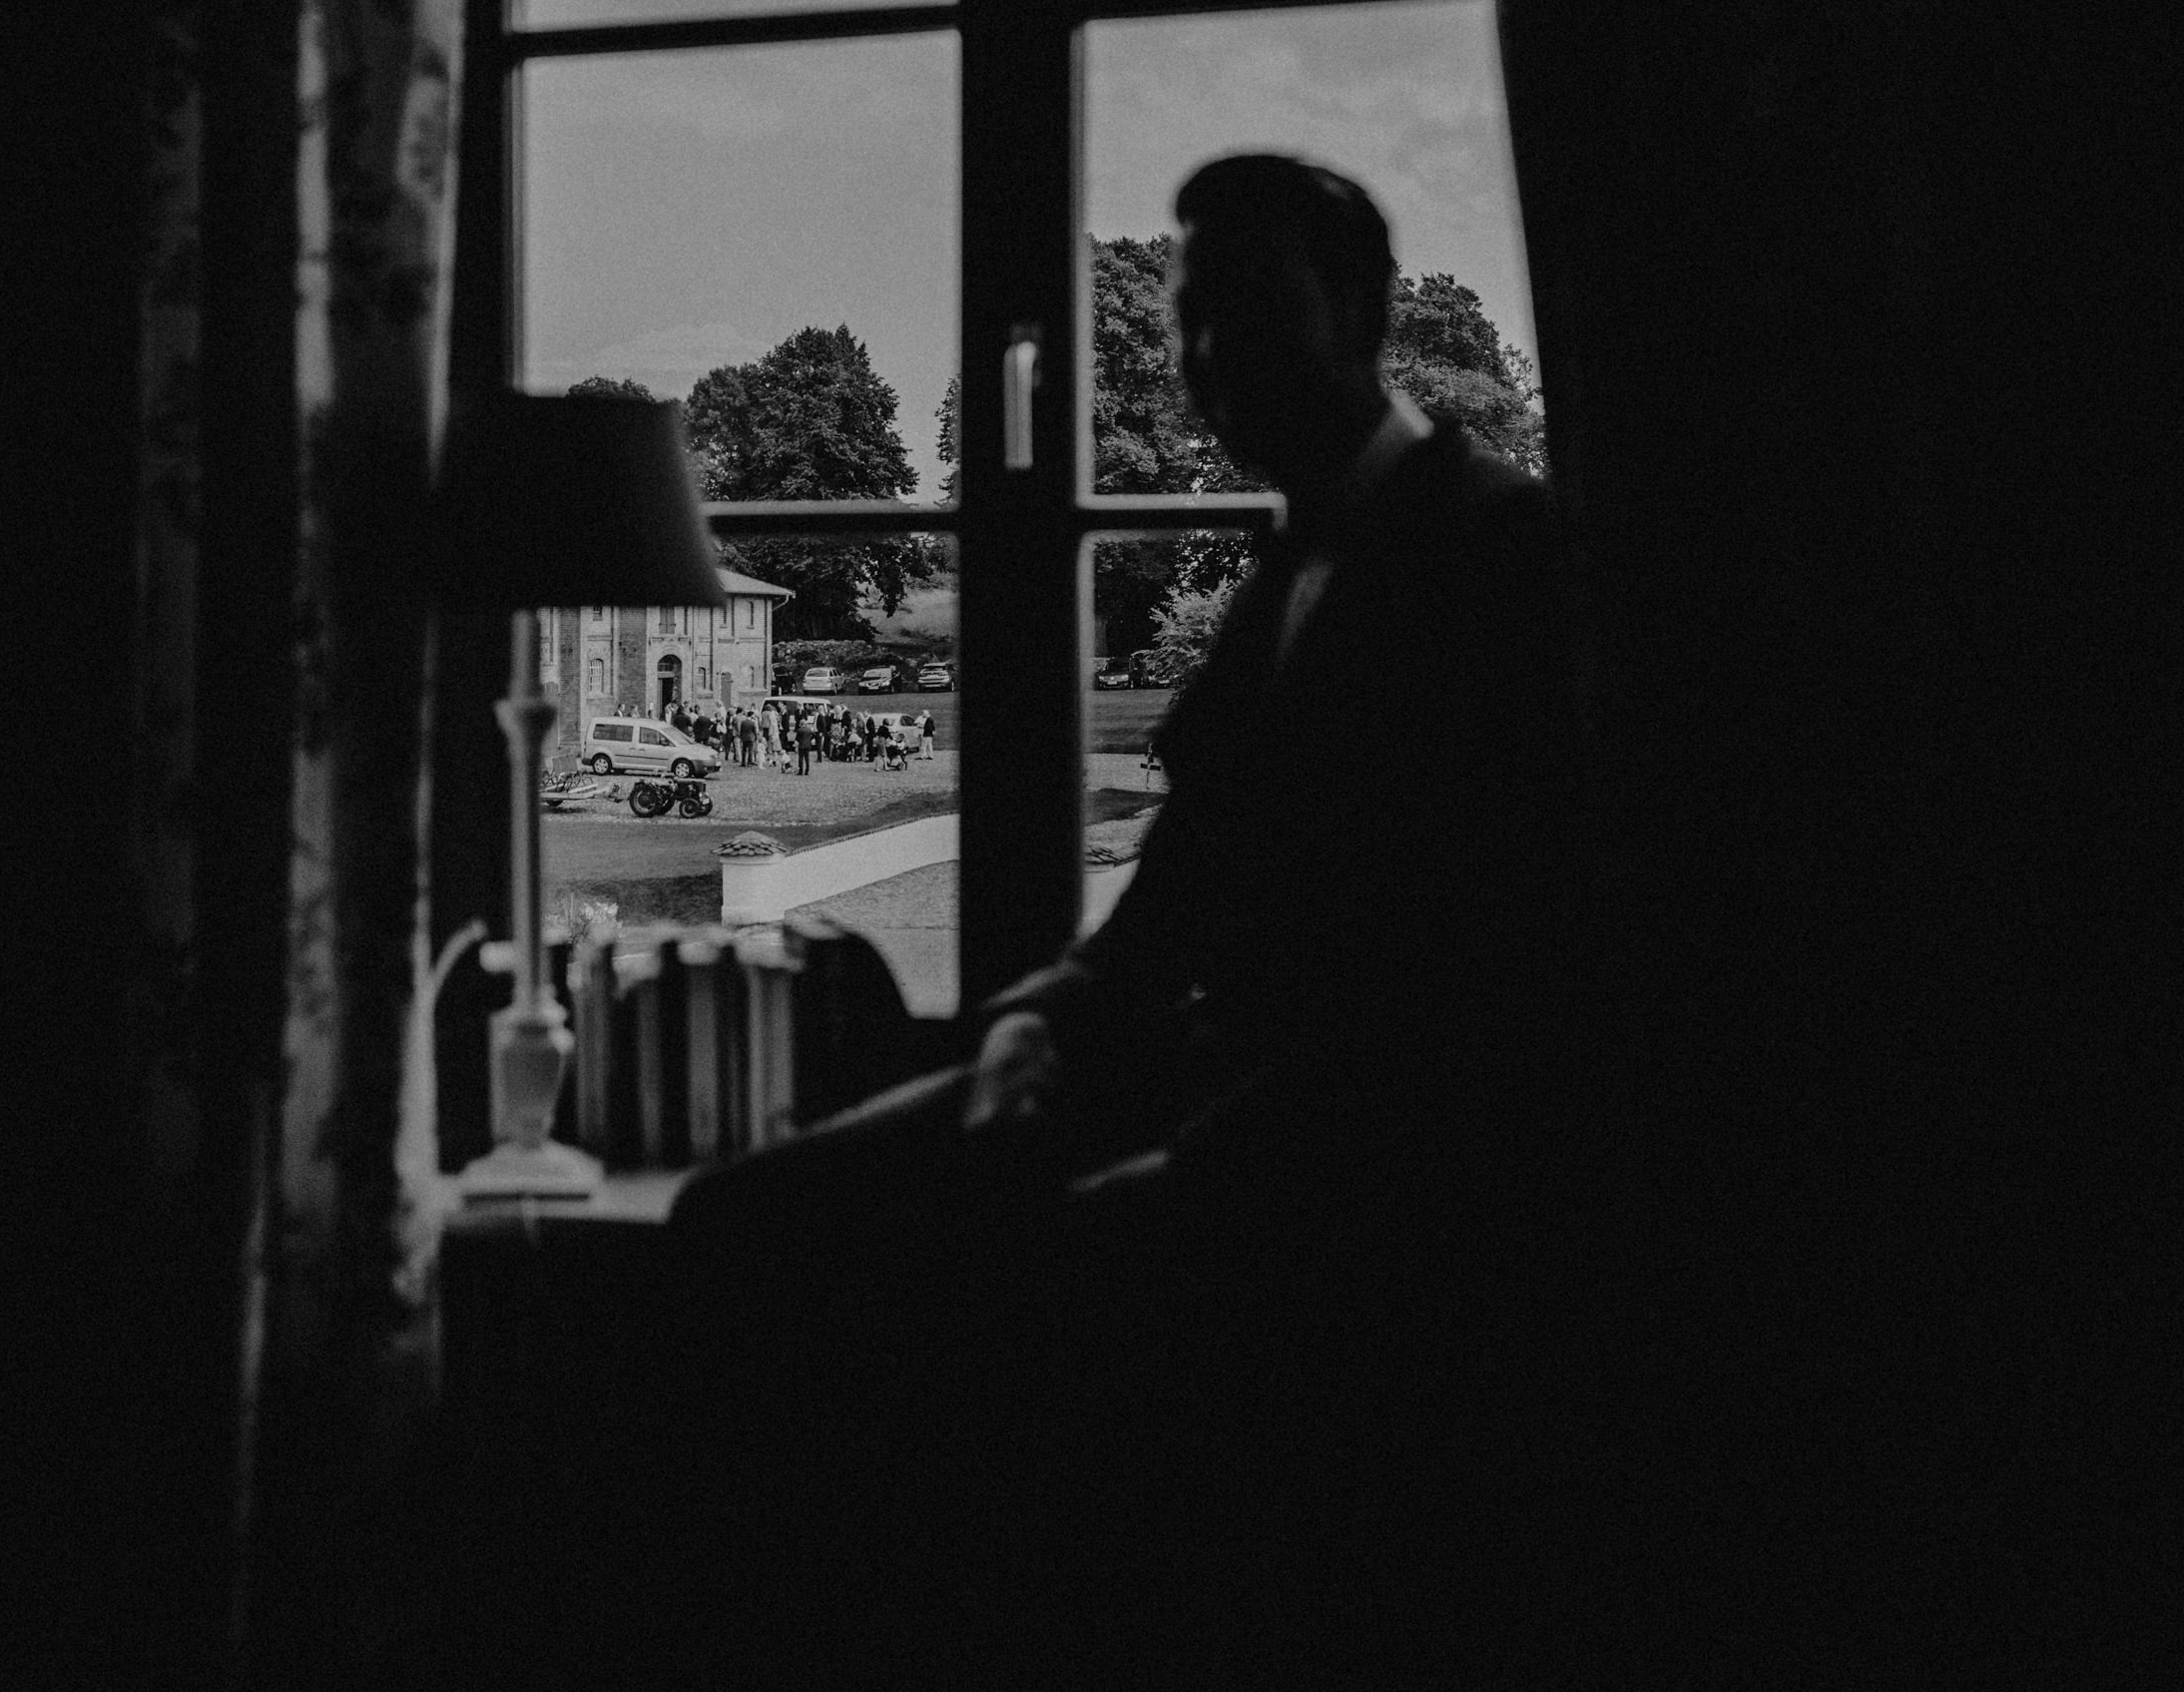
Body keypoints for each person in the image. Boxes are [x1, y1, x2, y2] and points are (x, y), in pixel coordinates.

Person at [655, 155, 1612, 1676]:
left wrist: (1197, 1135)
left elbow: (1491, 966)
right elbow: (1175, 896)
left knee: (1020, 1313)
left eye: (1250, 311)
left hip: (1366, 1153)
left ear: (1359, 311)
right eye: (1191, 326)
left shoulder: (1502, 549)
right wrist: (1038, 1016)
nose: (1212, 361)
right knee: (735, 1223)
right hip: (1169, 1072)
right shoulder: (1284, 559)